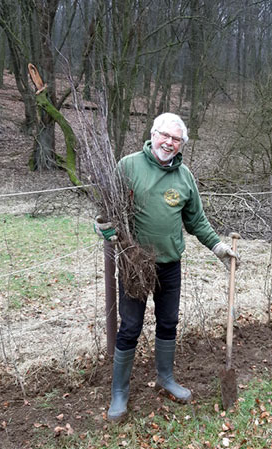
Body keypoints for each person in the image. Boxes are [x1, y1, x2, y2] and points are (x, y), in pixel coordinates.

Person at [95, 112, 239, 421]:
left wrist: (218, 247)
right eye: (165, 136)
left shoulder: (184, 176)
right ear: (153, 135)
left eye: (176, 139)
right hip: (135, 264)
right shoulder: (128, 166)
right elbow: (108, 211)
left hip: (169, 265)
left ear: (182, 144)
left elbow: (196, 220)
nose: (169, 143)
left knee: (168, 322)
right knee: (130, 327)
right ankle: (119, 392)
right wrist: (104, 227)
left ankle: (165, 378)